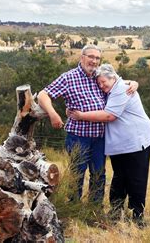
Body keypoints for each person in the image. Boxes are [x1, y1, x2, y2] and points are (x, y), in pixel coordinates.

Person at [37, 45, 137, 203]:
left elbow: (117, 82)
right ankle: (73, 207)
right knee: (77, 173)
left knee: (98, 174)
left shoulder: (98, 76)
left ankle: (94, 209)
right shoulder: (68, 77)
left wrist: (133, 82)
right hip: (79, 136)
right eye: (91, 56)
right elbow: (43, 95)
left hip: (100, 136)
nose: (94, 61)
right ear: (81, 57)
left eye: (97, 58)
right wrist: (53, 114)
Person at [68, 63, 150, 226]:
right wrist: (133, 81)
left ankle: (138, 217)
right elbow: (120, 81)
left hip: (136, 141)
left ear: (113, 78)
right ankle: (115, 212)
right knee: (119, 178)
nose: (101, 86)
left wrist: (81, 116)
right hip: (120, 144)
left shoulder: (121, 89)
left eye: (103, 82)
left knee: (136, 179)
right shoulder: (114, 88)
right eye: (99, 83)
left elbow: (109, 116)